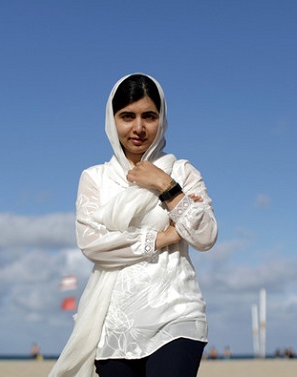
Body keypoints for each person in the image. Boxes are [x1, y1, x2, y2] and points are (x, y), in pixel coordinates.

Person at [48, 73, 218, 377]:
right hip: (114, 322)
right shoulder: (95, 179)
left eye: (149, 116)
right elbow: (92, 244)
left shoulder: (181, 171)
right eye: (127, 116)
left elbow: (204, 235)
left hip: (176, 314)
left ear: (162, 119)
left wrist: (164, 184)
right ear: (112, 120)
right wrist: (165, 235)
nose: (138, 128)